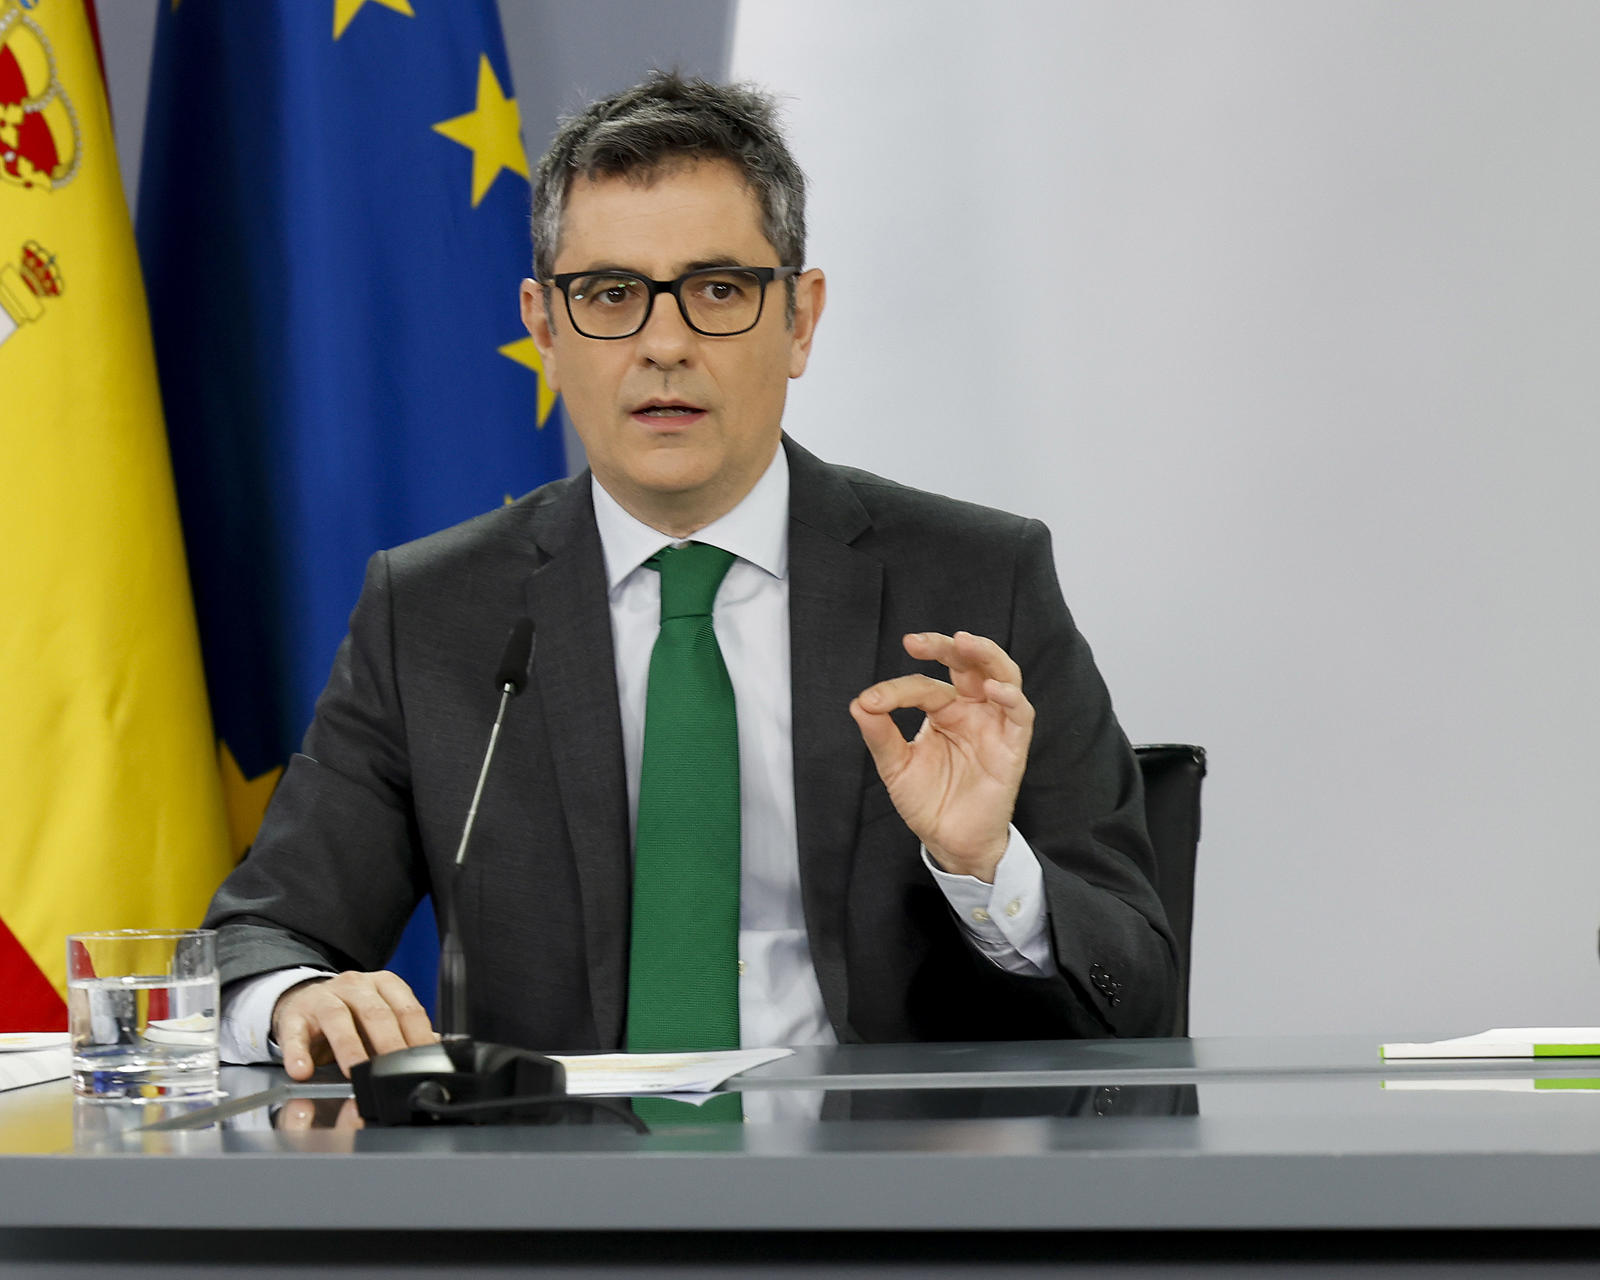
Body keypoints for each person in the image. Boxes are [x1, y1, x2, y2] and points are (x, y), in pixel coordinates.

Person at [205, 73, 1178, 1083]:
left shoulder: (976, 583)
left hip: (886, 1205)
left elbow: (1141, 986)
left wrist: (987, 869)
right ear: (544, 327)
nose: (664, 344)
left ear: (800, 319)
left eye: (717, 290)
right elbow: (261, 933)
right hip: (556, 1209)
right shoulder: (437, 612)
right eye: (612, 294)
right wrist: (297, 990)